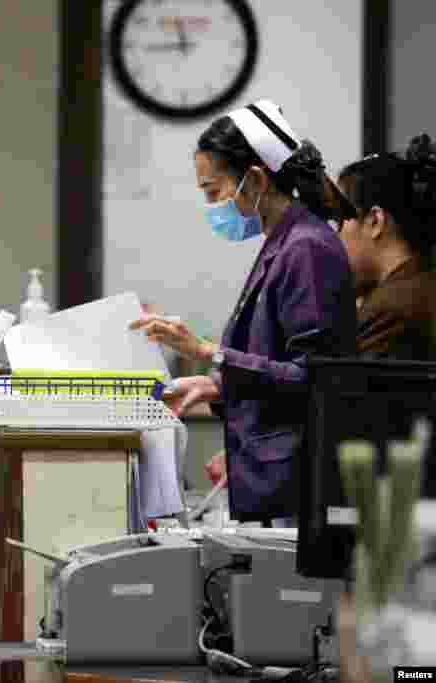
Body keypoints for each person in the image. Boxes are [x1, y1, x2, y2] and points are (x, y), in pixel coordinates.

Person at [130, 100, 357, 524]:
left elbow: (314, 376)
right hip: (280, 480)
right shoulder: (282, 242)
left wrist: (206, 350)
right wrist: (217, 384)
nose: (211, 205)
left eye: (213, 191)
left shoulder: (306, 247)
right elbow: (273, 360)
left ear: (254, 179)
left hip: (300, 485)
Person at [336, 134, 436, 359]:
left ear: (374, 221)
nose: (333, 239)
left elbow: (340, 392)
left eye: (339, 223)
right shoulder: (418, 286)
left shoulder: (388, 311)